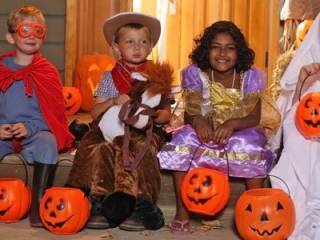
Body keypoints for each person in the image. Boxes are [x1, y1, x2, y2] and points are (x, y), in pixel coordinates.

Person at [157, 20, 280, 233]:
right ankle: (182, 212)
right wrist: (199, 121)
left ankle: (255, 213)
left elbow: (254, 116)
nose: (222, 53)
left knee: (249, 147)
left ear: (239, 53)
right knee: (182, 139)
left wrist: (232, 124)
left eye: (230, 48)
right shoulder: (196, 74)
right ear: (206, 50)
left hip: (240, 129)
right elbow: (190, 111)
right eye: (216, 47)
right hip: (205, 127)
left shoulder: (250, 76)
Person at [66, 12, 173, 231]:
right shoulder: (109, 77)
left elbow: (166, 114)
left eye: (143, 42)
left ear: (151, 46)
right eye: (130, 42)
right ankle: (100, 201)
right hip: (110, 128)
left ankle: (141, 205)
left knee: (141, 149)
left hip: (145, 130)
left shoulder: (156, 76)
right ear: (116, 47)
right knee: (100, 149)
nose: (137, 47)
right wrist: (114, 101)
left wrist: (151, 115)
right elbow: (96, 113)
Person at [0, 5, 74, 227]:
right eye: (25, 30)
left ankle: (40, 202)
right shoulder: (1, 68)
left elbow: (54, 114)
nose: (32, 36)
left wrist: (31, 127)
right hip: (2, 131)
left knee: (48, 144)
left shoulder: (47, 71)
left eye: (38, 31)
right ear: (11, 37)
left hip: (34, 132)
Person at [271, 13, 320, 240]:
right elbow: (298, 119)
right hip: (311, 135)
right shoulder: (312, 75)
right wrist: (302, 84)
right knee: (301, 140)